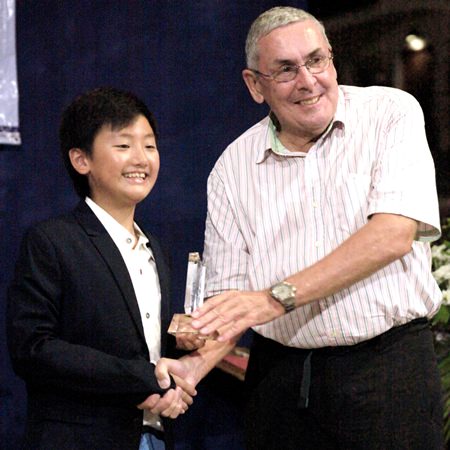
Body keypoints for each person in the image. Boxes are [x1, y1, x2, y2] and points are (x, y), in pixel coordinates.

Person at [157, 6, 444, 449]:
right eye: (286, 70)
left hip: (387, 371)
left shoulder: (391, 113)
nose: (308, 80)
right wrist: (194, 368)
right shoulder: (233, 167)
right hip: (280, 381)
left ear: (331, 58)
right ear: (255, 85)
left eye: (316, 60)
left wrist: (276, 298)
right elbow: (233, 300)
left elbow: (392, 234)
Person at [7, 87, 196, 450]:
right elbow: (33, 348)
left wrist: (181, 348)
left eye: (150, 145)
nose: (141, 158)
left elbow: (145, 348)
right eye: (123, 146)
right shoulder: (51, 241)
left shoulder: (157, 248)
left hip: (156, 435)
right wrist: (144, 378)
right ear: (82, 160)